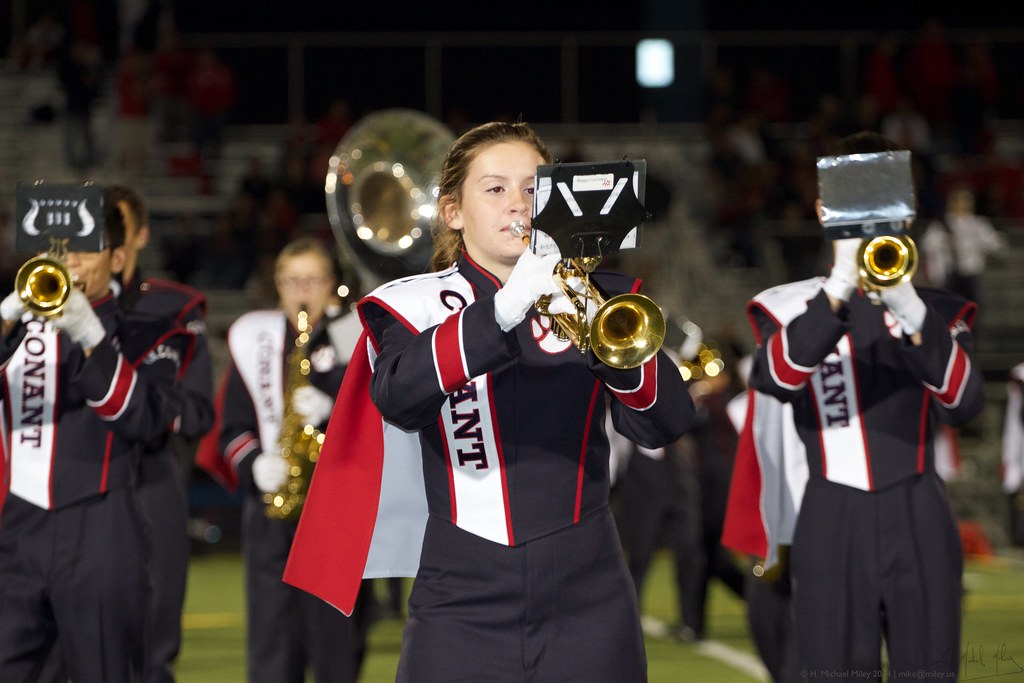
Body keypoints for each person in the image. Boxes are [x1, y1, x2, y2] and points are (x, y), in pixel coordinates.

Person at [284, 120, 695, 682]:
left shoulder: (602, 299)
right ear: (452, 212)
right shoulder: (411, 305)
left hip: (588, 587)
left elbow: (666, 422)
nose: (517, 205)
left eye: (532, 189)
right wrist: (501, 312)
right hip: (461, 591)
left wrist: (595, 318)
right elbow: (400, 398)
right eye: (495, 189)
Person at [743, 131, 985, 681]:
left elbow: (963, 403)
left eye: (886, 203)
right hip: (832, 513)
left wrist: (906, 303)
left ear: (909, 209)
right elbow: (778, 377)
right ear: (824, 210)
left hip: (920, 506)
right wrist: (841, 284)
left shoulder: (941, 311)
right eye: (854, 204)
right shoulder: (787, 307)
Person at [0, 201, 192, 682]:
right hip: (16, 529)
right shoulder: (14, 330)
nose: (68, 263)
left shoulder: (153, 332)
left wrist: (90, 334)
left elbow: (144, 421)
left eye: (84, 250)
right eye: (53, 250)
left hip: (103, 526)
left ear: (118, 259)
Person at [196, 237, 369, 683]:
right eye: (292, 280)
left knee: (338, 647)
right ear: (278, 285)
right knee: (272, 642)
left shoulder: (355, 335)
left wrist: (335, 408)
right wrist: (253, 463)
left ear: (331, 284)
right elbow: (231, 424)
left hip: (337, 512)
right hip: (273, 512)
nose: (302, 290)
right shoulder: (258, 340)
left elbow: (380, 420)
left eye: (312, 280)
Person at [107, 184, 215, 683]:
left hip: (150, 486)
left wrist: (139, 405)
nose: (107, 242)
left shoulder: (174, 309)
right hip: (70, 494)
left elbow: (195, 413)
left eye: (116, 227)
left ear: (141, 235)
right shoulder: (43, 309)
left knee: (152, 654)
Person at [920, 185, 1008, 310]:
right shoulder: (941, 224)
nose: (964, 204)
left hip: (971, 273)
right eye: (960, 200)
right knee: (952, 308)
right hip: (950, 274)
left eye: (967, 200)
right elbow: (928, 244)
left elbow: (996, 245)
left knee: (972, 308)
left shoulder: (978, 224)